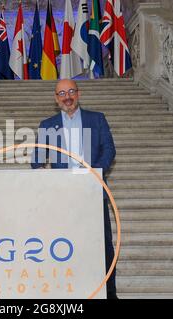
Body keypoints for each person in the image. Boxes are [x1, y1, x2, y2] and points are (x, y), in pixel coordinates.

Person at [31, 79, 118, 299]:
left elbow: (109, 149)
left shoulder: (97, 119)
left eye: (71, 91)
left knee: (103, 244)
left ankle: (109, 292)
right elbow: (37, 159)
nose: (67, 97)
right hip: (62, 195)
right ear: (56, 98)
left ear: (78, 94)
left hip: (93, 190)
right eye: (61, 93)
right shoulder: (47, 124)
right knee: (64, 244)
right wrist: (41, 171)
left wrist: (95, 173)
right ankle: (69, 292)